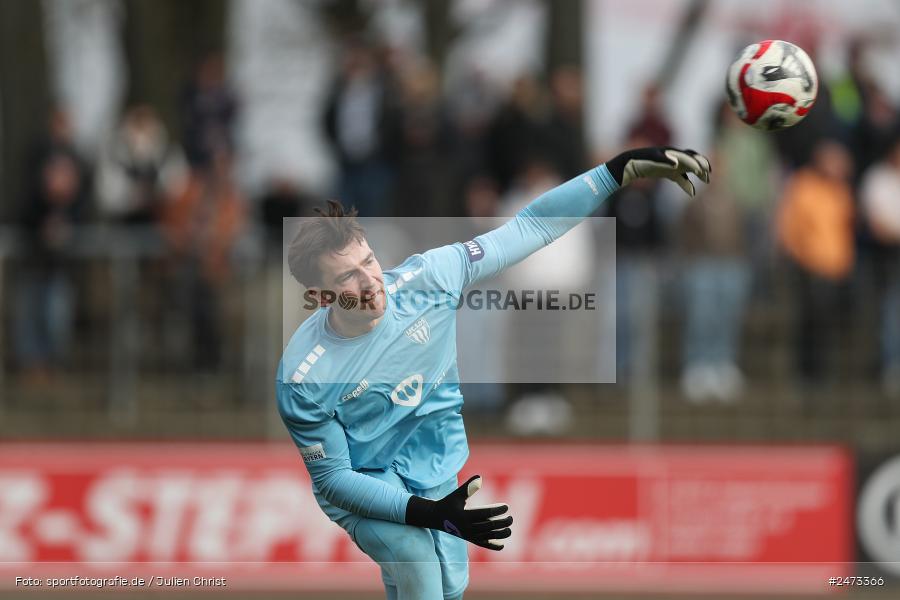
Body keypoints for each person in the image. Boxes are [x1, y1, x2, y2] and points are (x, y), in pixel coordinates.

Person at [276, 146, 711, 599]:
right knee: (415, 556)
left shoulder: (430, 278)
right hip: (366, 478)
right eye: (346, 278)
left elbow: (530, 226)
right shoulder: (304, 378)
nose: (369, 282)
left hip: (432, 463)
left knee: (448, 587)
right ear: (321, 297)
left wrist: (613, 173)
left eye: (368, 262)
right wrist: (426, 513)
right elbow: (335, 479)